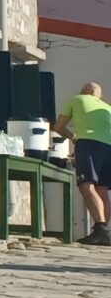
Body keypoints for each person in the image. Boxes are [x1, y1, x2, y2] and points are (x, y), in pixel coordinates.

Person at [56, 81, 111, 244]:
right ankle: (104, 232)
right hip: (108, 148)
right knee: (102, 189)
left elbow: (58, 126)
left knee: (86, 185)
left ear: (84, 91)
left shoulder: (76, 99)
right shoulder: (107, 108)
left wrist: (73, 137)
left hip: (88, 144)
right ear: (99, 95)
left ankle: (100, 229)